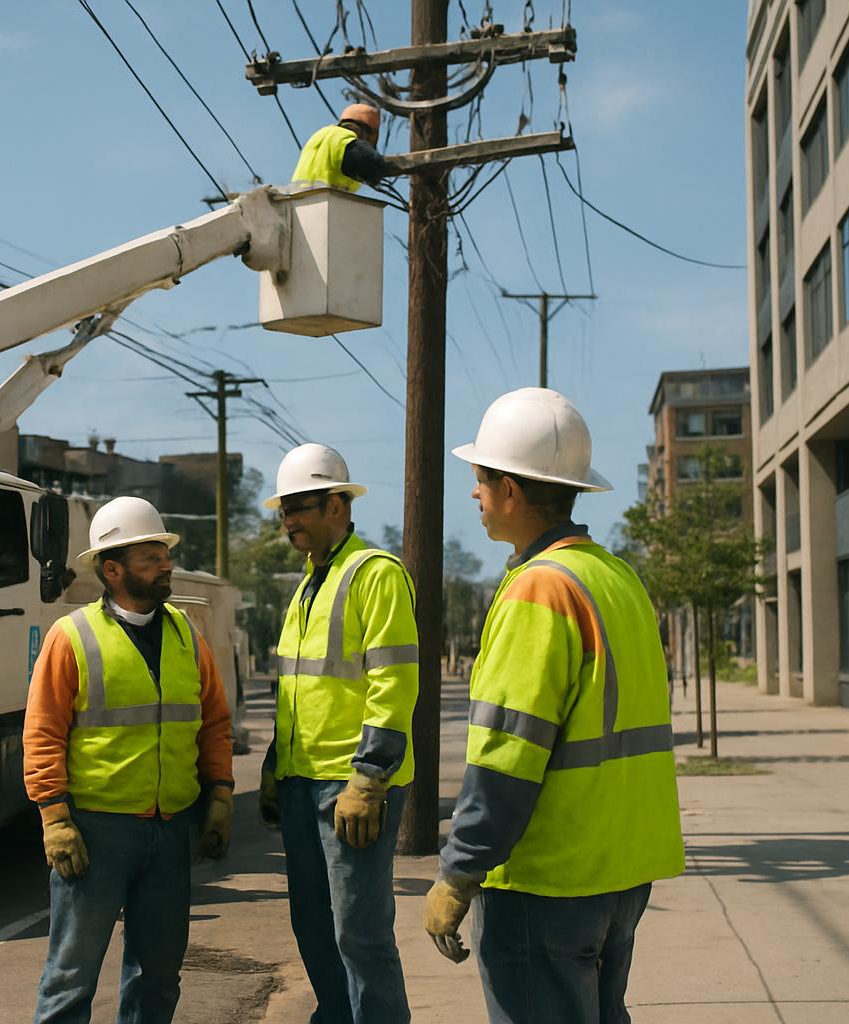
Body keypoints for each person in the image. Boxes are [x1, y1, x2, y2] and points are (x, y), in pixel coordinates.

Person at [424, 388, 685, 1024]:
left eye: (480, 479)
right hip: (622, 871)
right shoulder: (617, 578)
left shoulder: (539, 589)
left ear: (511, 488)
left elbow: (507, 757)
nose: (474, 494)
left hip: (549, 880)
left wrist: (458, 873)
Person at [25, 495, 235, 1024]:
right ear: (112, 569)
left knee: (159, 975)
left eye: (164, 556)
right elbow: (43, 732)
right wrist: (54, 817)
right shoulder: (71, 637)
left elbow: (213, 723)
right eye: (151, 558)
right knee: (71, 976)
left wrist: (222, 796)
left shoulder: (188, 634)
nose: (166, 567)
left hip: (169, 833)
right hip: (96, 832)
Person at [260, 443, 418, 1023]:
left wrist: (370, 777)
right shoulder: (308, 585)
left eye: (298, 507)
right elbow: (298, 691)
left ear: (336, 504)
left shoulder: (373, 574)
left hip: (350, 787)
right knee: (313, 923)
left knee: (360, 934)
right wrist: (276, 765)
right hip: (304, 782)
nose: (288, 521)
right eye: (283, 511)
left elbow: (394, 684)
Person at [291, 103, 390, 193]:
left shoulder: (320, 135)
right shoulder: (345, 138)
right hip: (326, 205)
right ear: (369, 131)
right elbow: (372, 164)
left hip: (297, 205)